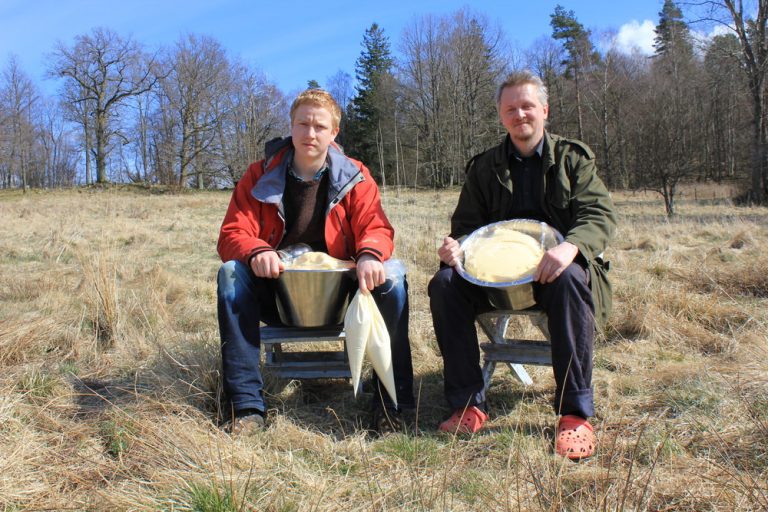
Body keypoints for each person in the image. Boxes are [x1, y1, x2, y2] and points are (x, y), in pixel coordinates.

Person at [428, 70, 617, 460]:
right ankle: (467, 405)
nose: (520, 115)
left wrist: (571, 248)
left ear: (544, 110)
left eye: (527, 106)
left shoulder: (572, 160)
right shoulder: (484, 167)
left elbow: (598, 215)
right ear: (501, 116)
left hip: (554, 272)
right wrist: (455, 247)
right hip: (495, 278)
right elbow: (465, 228)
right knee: (445, 284)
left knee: (570, 280)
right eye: (511, 109)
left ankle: (574, 415)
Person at [216, 89, 414, 435]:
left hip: (342, 296)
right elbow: (233, 232)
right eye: (303, 124)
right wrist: (257, 251)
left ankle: (390, 407)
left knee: (393, 280)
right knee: (231, 274)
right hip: (277, 292)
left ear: (334, 133)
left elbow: (376, 227)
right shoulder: (258, 175)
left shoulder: (356, 176)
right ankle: (246, 407)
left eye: (320, 126)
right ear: (290, 127)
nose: (310, 133)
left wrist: (369, 254)